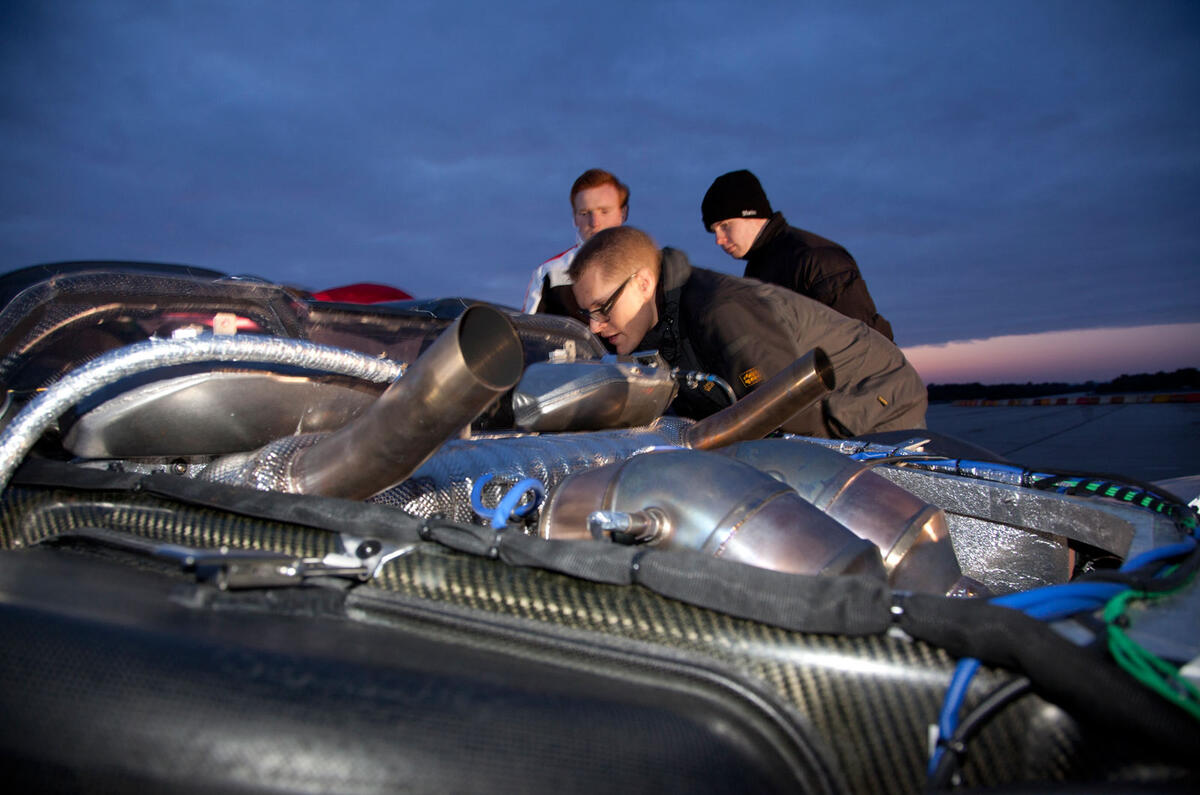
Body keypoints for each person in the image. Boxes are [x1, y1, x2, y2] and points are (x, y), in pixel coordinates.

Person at [568, 226, 926, 438]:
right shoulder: (651, 330)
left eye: (602, 307)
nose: (595, 326)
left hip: (870, 398)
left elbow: (793, 420)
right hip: (808, 407)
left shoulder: (720, 310)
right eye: (587, 313)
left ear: (644, 284)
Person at [701, 169, 895, 341]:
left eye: (725, 226)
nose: (719, 239)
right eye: (714, 231)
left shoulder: (816, 258)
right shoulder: (760, 267)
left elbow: (861, 344)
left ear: (752, 214)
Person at [522, 168, 630, 315]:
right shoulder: (549, 273)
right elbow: (529, 333)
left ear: (622, 214)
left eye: (604, 211)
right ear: (574, 217)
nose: (594, 222)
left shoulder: (651, 266)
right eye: (585, 213)